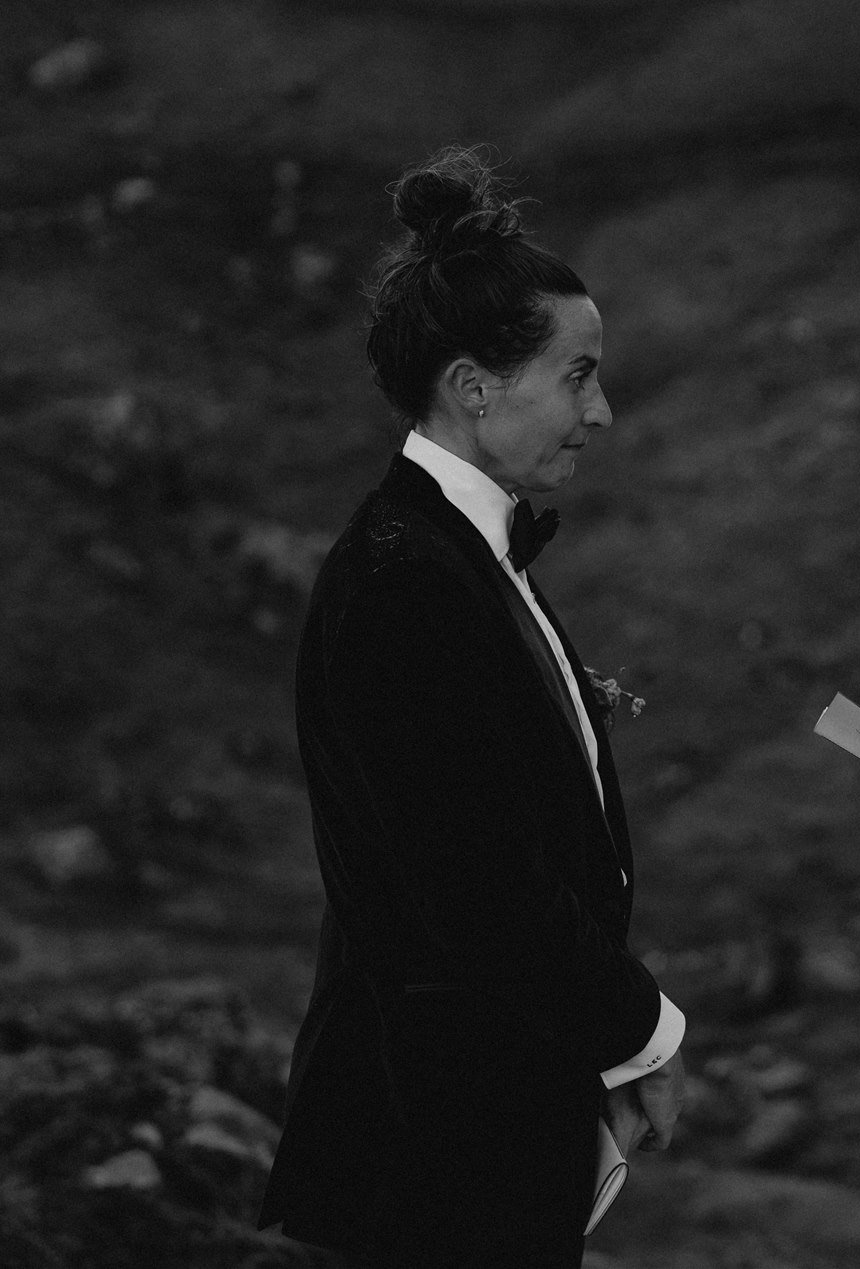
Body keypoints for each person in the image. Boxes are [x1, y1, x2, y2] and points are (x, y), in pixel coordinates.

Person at [258, 147, 684, 1267]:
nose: (601, 410)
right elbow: (473, 881)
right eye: (577, 374)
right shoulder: (404, 581)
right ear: (473, 386)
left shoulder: (453, 557)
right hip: (427, 1147)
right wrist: (639, 1032)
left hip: (480, 1120)